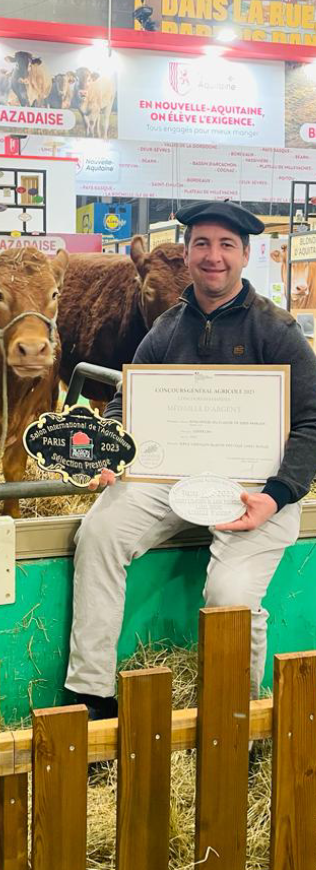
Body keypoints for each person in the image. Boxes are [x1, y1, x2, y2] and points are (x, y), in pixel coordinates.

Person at [65, 200, 316, 719]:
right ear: (186, 253)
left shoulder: (277, 330)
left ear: (245, 255)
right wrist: (111, 450)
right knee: (99, 534)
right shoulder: (167, 328)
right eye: (202, 243)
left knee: (230, 593)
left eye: (226, 245)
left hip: (256, 488)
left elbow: (312, 420)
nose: (213, 256)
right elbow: (127, 401)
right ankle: (92, 695)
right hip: (169, 476)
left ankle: (236, 715)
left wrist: (277, 495)